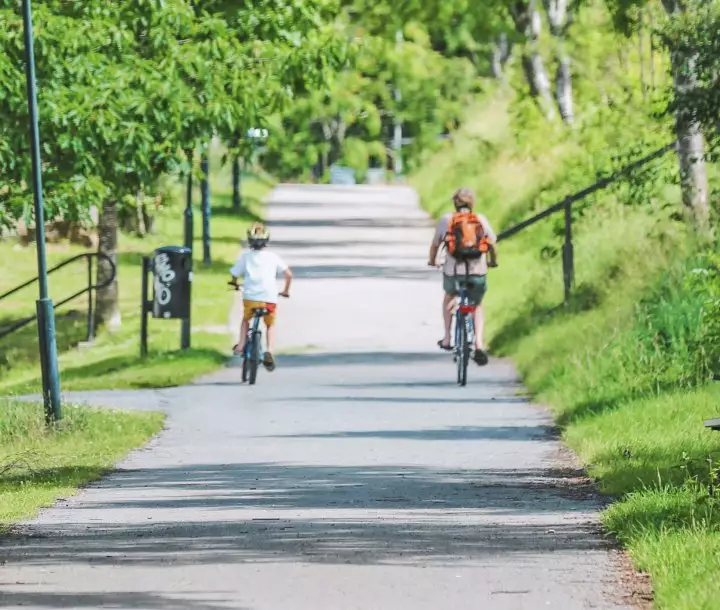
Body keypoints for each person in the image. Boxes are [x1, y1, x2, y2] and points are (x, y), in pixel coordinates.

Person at [427, 187, 497, 365]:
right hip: (477, 271)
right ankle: (479, 343)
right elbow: (492, 242)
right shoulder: (479, 220)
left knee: (450, 297)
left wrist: (433, 261)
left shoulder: (446, 220)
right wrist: (493, 261)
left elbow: (435, 245)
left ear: (454, 203)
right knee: (477, 305)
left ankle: (448, 338)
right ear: (472, 202)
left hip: (453, 271)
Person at [229, 223, 292, 371]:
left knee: (246, 320)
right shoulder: (273, 257)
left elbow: (234, 274)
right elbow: (288, 274)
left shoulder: (245, 257)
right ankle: (269, 350)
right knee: (270, 325)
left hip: (250, 298)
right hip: (269, 299)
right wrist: (286, 291)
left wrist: (234, 283)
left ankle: (241, 344)